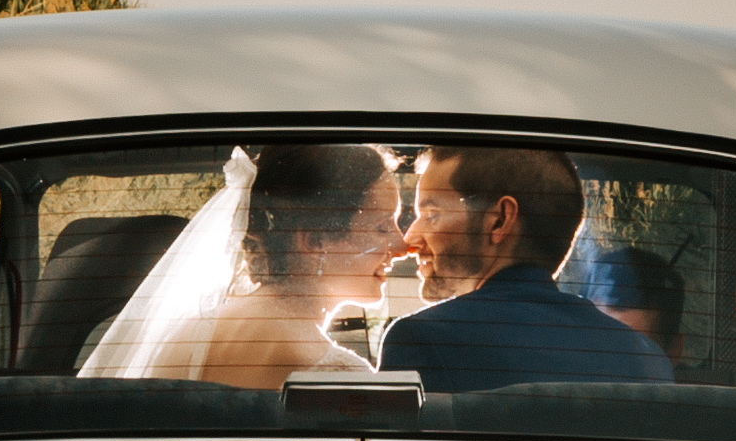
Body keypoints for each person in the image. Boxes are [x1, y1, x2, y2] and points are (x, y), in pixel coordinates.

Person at [379, 145, 671, 389]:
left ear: (500, 221)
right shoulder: (648, 360)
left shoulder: (423, 340)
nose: (410, 239)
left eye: (430, 214)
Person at [166, 140, 395, 388]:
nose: (404, 246)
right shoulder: (335, 374)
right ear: (314, 241)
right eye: (383, 228)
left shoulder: (188, 334)